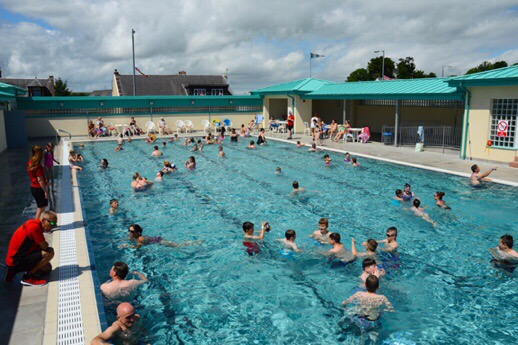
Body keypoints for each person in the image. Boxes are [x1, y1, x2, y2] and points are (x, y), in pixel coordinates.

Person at [4, 211, 57, 286]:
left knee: (47, 269)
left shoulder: (33, 223)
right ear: (43, 220)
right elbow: (45, 246)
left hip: (14, 260)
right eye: (51, 223)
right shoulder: (35, 227)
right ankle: (28, 277)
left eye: (55, 224)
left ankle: (11, 273)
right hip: (15, 262)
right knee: (49, 253)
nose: (53, 226)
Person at [123, 224, 198, 249]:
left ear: (137, 232)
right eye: (129, 230)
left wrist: (127, 246)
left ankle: (193, 243)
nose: (130, 232)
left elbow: (137, 247)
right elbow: (128, 239)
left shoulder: (140, 238)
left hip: (158, 241)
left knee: (178, 246)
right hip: (153, 239)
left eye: (132, 231)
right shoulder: (132, 236)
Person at [28, 146, 49, 219]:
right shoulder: (38, 166)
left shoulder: (30, 163)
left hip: (33, 187)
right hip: (39, 188)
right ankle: (36, 224)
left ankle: (41, 224)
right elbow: (40, 180)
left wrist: (45, 182)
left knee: (41, 208)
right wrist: (45, 191)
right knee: (41, 209)